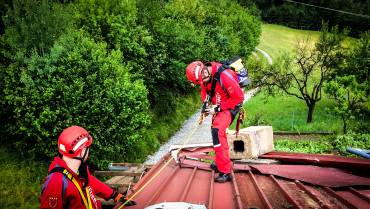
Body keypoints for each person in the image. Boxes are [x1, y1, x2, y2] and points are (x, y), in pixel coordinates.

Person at [40, 125, 136, 209]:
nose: (89, 152)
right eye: (87, 148)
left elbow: (92, 182)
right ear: (81, 152)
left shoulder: (79, 171)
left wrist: (114, 195)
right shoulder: (55, 183)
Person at [186, 61, 244, 183]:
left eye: (203, 78)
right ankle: (220, 162)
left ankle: (225, 171)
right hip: (220, 102)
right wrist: (205, 106)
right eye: (200, 81)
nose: (202, 81)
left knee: (217, 131)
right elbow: (205, 91)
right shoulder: (204, 74)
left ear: (204, 70)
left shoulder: (224, 76)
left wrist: (217, 108)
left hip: (231, 105)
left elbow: (238, 97)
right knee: (215, 132)